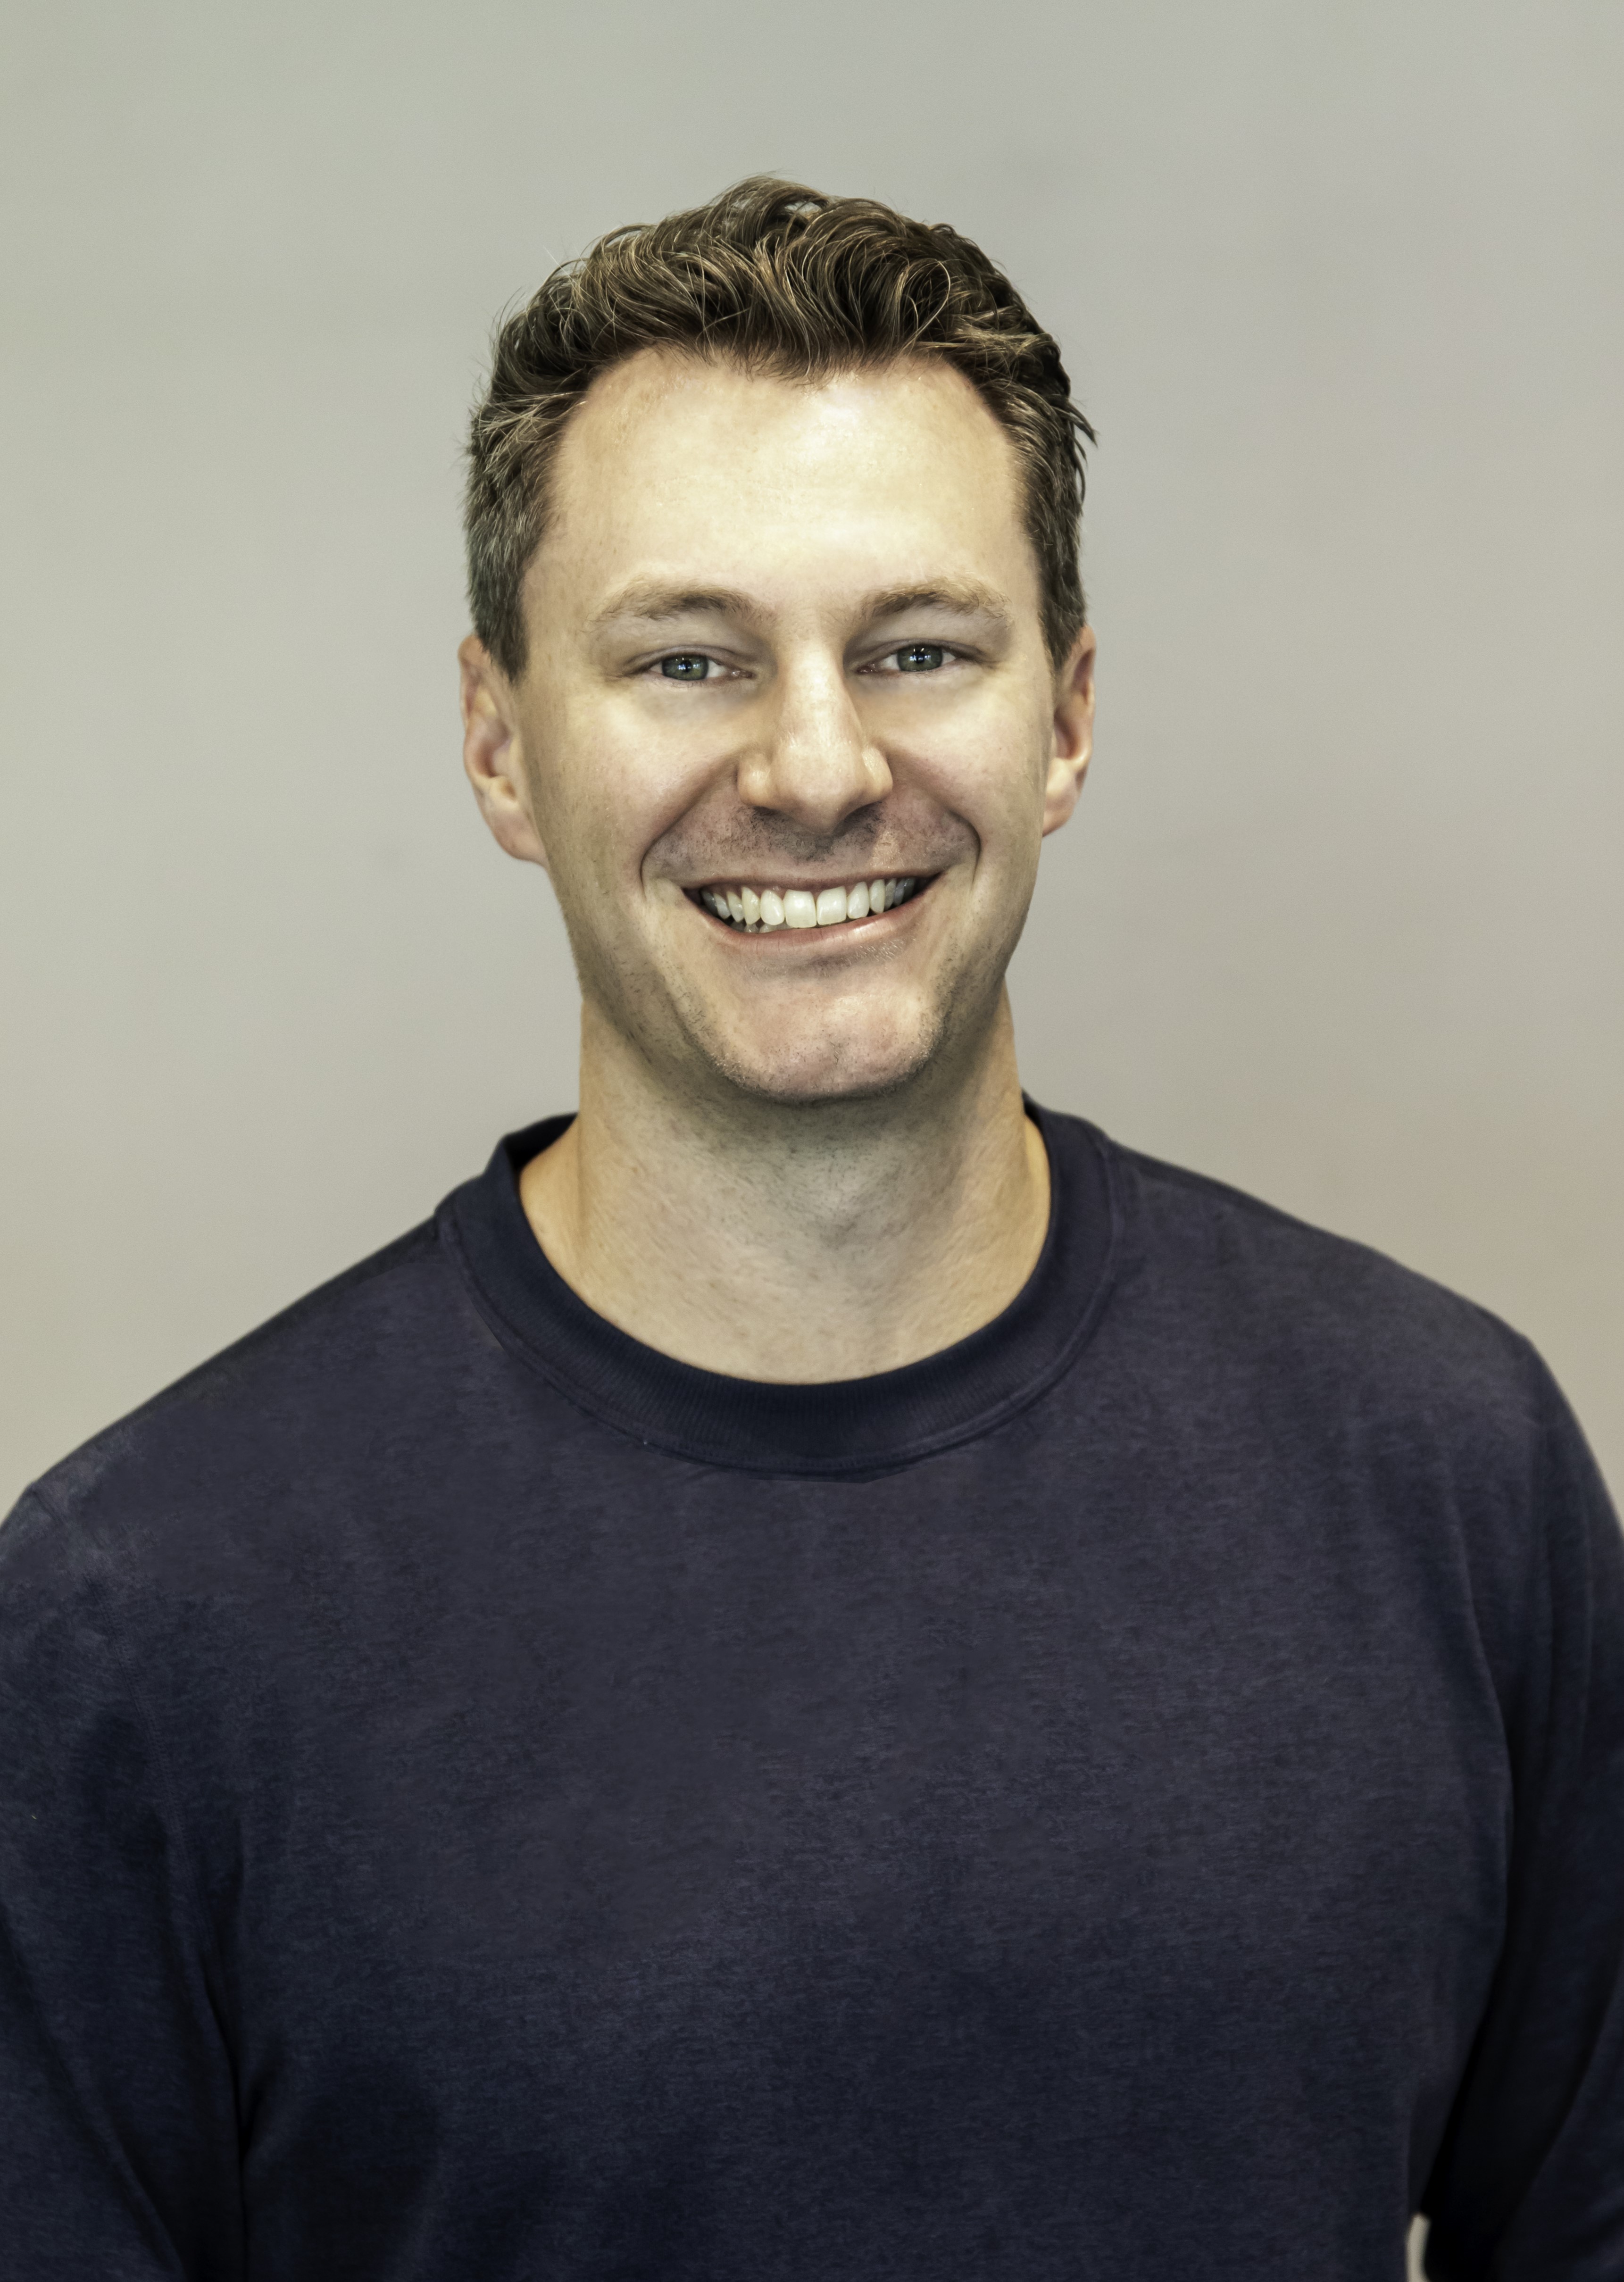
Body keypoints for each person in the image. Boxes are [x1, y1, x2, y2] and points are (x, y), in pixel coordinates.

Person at [1, 178, 1620, 2282]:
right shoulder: (140, 1619)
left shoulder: (1447, 1476)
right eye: (688, 659)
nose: (818, 765)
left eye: (916, 649)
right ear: (500, 744)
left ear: (1066, 717)